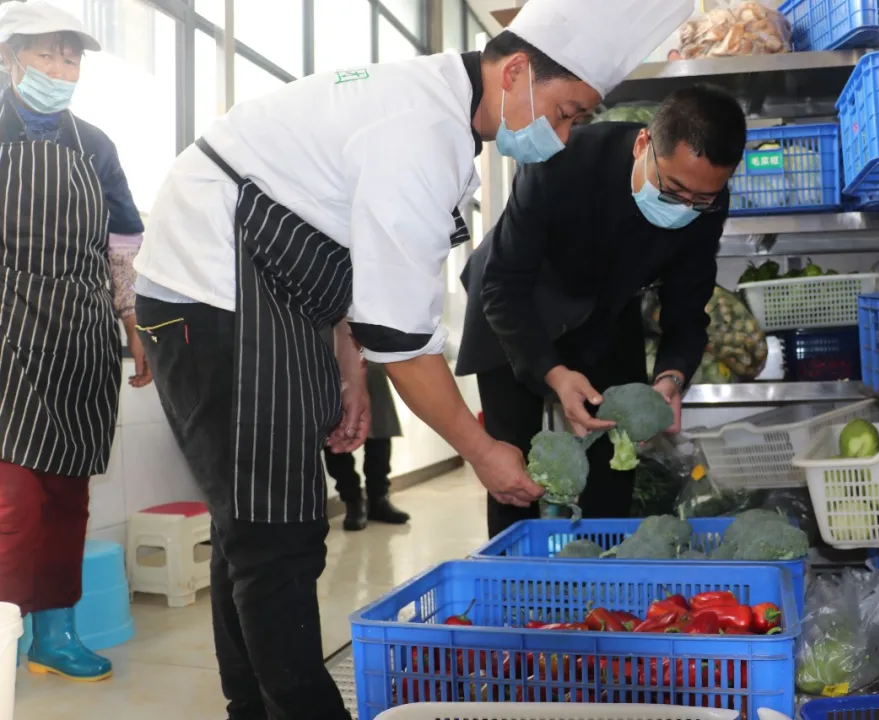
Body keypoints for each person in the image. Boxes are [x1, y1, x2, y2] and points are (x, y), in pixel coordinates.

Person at [131, 0, 693, 716]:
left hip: (271, 296)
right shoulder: (420, 129)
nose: (563, 134)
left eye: (577, 121)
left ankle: (254, 708)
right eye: (564, 112)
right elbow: (403, 338)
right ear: (516, 69)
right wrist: (483, 450)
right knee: (275, 532)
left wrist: (345, 363)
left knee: (259, 523)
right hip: (212, 284)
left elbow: (332, 234)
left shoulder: (442, 115)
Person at [456, 85, 747, 538]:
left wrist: (672, 376)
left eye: (702, 199)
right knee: (514, 469)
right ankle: (513, 584)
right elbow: (503, 285)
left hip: (605, 310)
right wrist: (553, 373)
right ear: (643, 145)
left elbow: (688, 305)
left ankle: (602, 582)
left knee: (616, 457)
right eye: (673, 189)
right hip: (515, 303)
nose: (686, 207)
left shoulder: (708, 199)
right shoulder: (560, 159)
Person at [0, 1, 151, 682]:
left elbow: (120, 248)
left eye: (72, 57)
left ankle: (52, 635)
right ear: (11, 57)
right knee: (15, 501)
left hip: (82, 338)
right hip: (6, 333)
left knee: (67, 497)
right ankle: (4, 640)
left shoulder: (95, 144)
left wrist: (133, 324)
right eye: (46, 54)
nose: (61, 69)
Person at [324, 362, 408, 531]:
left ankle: (379, 499)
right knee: (335, 431)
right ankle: (352, 501)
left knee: (380, 427)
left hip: (367, 352)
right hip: (324, 355)